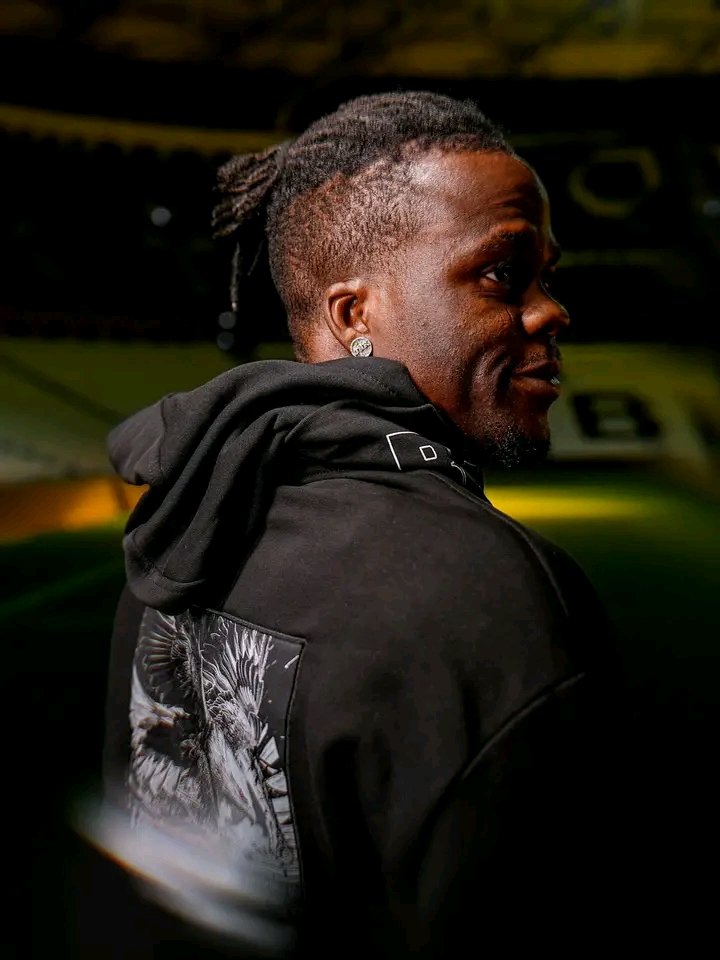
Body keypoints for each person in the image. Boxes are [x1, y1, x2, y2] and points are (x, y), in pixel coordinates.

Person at [102, 91, 627, 957]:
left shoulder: (179, 514)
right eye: (503, 273)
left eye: (548, 275)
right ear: (354, 315)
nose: (551, 309)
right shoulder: (495, 597)